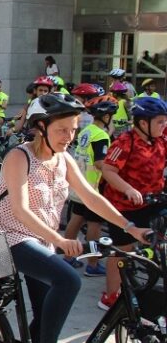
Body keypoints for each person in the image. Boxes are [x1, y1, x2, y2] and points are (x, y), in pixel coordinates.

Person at [0, 93, 148, 343]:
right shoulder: (19, 157)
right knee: (68, 281)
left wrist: (130, 227)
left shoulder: (64, 160)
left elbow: (90, 197)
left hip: (40, 241)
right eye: (62, 130)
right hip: (3, 238)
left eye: (73, 129)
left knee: (45, 311)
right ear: (41, 127)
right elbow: (20, 209)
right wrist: (59, 239)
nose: (69, 137)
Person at [98, 96, 167, 310]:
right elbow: (108, 170)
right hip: (125, 205)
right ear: (143, 123)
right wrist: (128, 189)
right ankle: (110, 296)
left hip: (154, 199)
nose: (164, 126)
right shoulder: (125, 142)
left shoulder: (161, 139)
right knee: (122, 250)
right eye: (160, 122)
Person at [64, 96, 118, 275]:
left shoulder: (87, 131)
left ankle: (68, 257)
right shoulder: (101, 136)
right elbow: (100, 163)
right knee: (94, 225)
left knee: (76, 220)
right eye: (111, 115)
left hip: (80, 185)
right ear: (106, 116)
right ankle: (93, 265)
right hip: (94, 187)